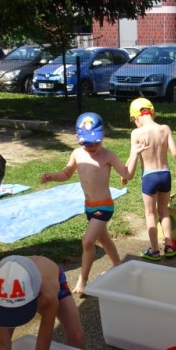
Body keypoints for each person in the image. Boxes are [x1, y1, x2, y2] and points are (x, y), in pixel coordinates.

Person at [41, 112, 144, 295]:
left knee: (88, 241)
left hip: (104, 206)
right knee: (104, 239)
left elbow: (127, 174)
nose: (92, 146)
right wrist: (52, 176)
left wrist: (134, 154)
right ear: (77, 138)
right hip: (89, 206)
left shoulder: (108, 156)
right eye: (87, 143)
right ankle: (118, 265)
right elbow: (66, 174)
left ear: (102, 135)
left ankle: (83, 280)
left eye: (95, 142)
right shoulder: (77, 154)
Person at [127, 97, 176, 261]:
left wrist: (125, 173)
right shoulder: (165, 129)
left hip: (149, 176)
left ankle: (154, 250)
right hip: (165, 174)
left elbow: (133, 155)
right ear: (152, 113)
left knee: (150, 213)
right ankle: (169, 246)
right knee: (164, 210)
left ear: (136, 117)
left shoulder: (136, 133)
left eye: (134, 121)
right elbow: (175, 153)